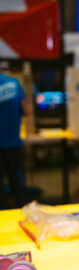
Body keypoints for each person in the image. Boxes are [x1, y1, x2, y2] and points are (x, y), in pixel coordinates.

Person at [0, 70, 29, 209]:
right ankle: (23, 218)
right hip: (13, 142)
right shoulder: (13, 83)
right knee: (18, 184)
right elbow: (25, 110)